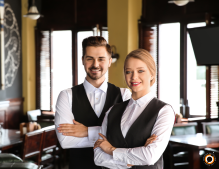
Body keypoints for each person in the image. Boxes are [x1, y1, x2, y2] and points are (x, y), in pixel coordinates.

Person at [54, 36, 131, 169]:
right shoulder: (66, 96)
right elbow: (65, 141)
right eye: (90, 59)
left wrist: (87, 131)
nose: (95, 64)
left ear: (109, 61)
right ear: (83, 60)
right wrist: (110, 137)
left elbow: (128, 136)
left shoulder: (124, 95)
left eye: (101, 59)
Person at [93, 49, 175, 169]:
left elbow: (150, 157)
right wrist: (133, 160)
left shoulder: (164, 111)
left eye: (140, 71)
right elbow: (98, 157)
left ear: (152, 74)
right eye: (128, 72)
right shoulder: (112, 111)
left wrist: (111, 150)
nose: (134, 77)